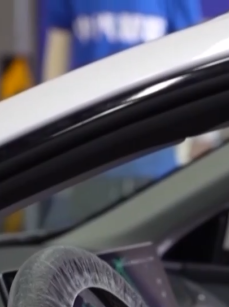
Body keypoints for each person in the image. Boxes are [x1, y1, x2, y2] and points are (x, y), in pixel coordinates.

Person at [39, 0, 203, 229]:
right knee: (88, 243)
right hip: (89, 155)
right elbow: (56, 62)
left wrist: (195, 137)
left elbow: (192, 58)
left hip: (154, 155)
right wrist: (51, 134)